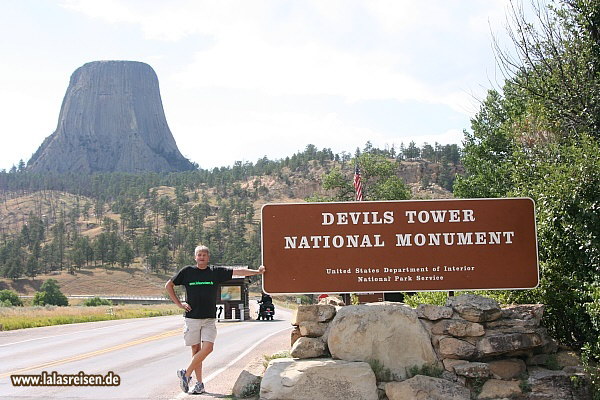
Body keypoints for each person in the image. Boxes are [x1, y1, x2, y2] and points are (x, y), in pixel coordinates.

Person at [165, 244, 265, 394]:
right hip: (192, 318)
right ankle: (199, 384)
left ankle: (186, 373)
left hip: (209, 318)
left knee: (208, 348)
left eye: (204, 255)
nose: (201, 257)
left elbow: (238, 272)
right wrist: (179, 304)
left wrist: (257, 272)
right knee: (196, 350)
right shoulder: (187, 272)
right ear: (195, 257)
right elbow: (169, 285)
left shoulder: (215, 272)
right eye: (199, 255)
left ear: (208, 257)